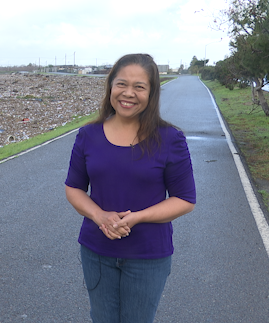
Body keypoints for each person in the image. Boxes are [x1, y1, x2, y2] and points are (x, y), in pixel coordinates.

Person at [64, 53, 196, 323]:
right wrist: (99, 216)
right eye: (122, 84)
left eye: (139, 87)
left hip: (148, 255)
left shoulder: (170, 139)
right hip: (96, 251)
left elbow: (185, 199)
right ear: (110, 86)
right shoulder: (88, 135)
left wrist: (138, 217)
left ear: (151, 93)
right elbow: (74, 189)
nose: (128, 93)